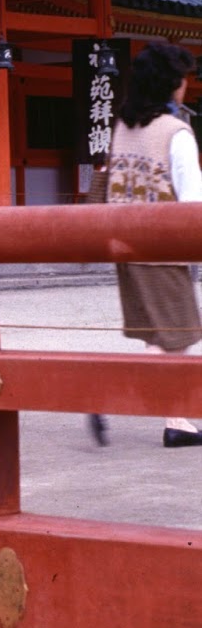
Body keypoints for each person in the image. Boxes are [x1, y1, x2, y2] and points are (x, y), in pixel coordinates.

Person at [91, 41, 202, 449]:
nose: (184, 87)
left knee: (162, 337)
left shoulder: (123, 127)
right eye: (181, 79)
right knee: (181, 333)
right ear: (169, 84)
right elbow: (193, 202)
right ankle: (101, 391)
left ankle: (178, 422)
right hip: (164, 251)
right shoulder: (176, 133)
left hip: (127, 249)